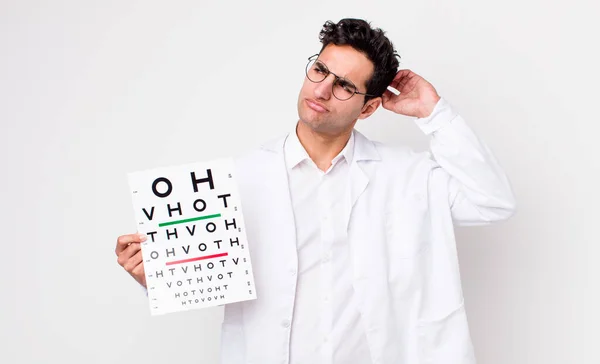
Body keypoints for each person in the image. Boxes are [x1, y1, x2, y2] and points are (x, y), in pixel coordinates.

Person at [116, 18, 516, 364]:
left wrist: (434, 113)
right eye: (320, 70)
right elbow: (212, 277)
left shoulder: (409, 176)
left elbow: (493, 202)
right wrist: (161, 275)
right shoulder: (238, 180)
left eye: (344, 85)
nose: (322, 91)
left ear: (369, 108)